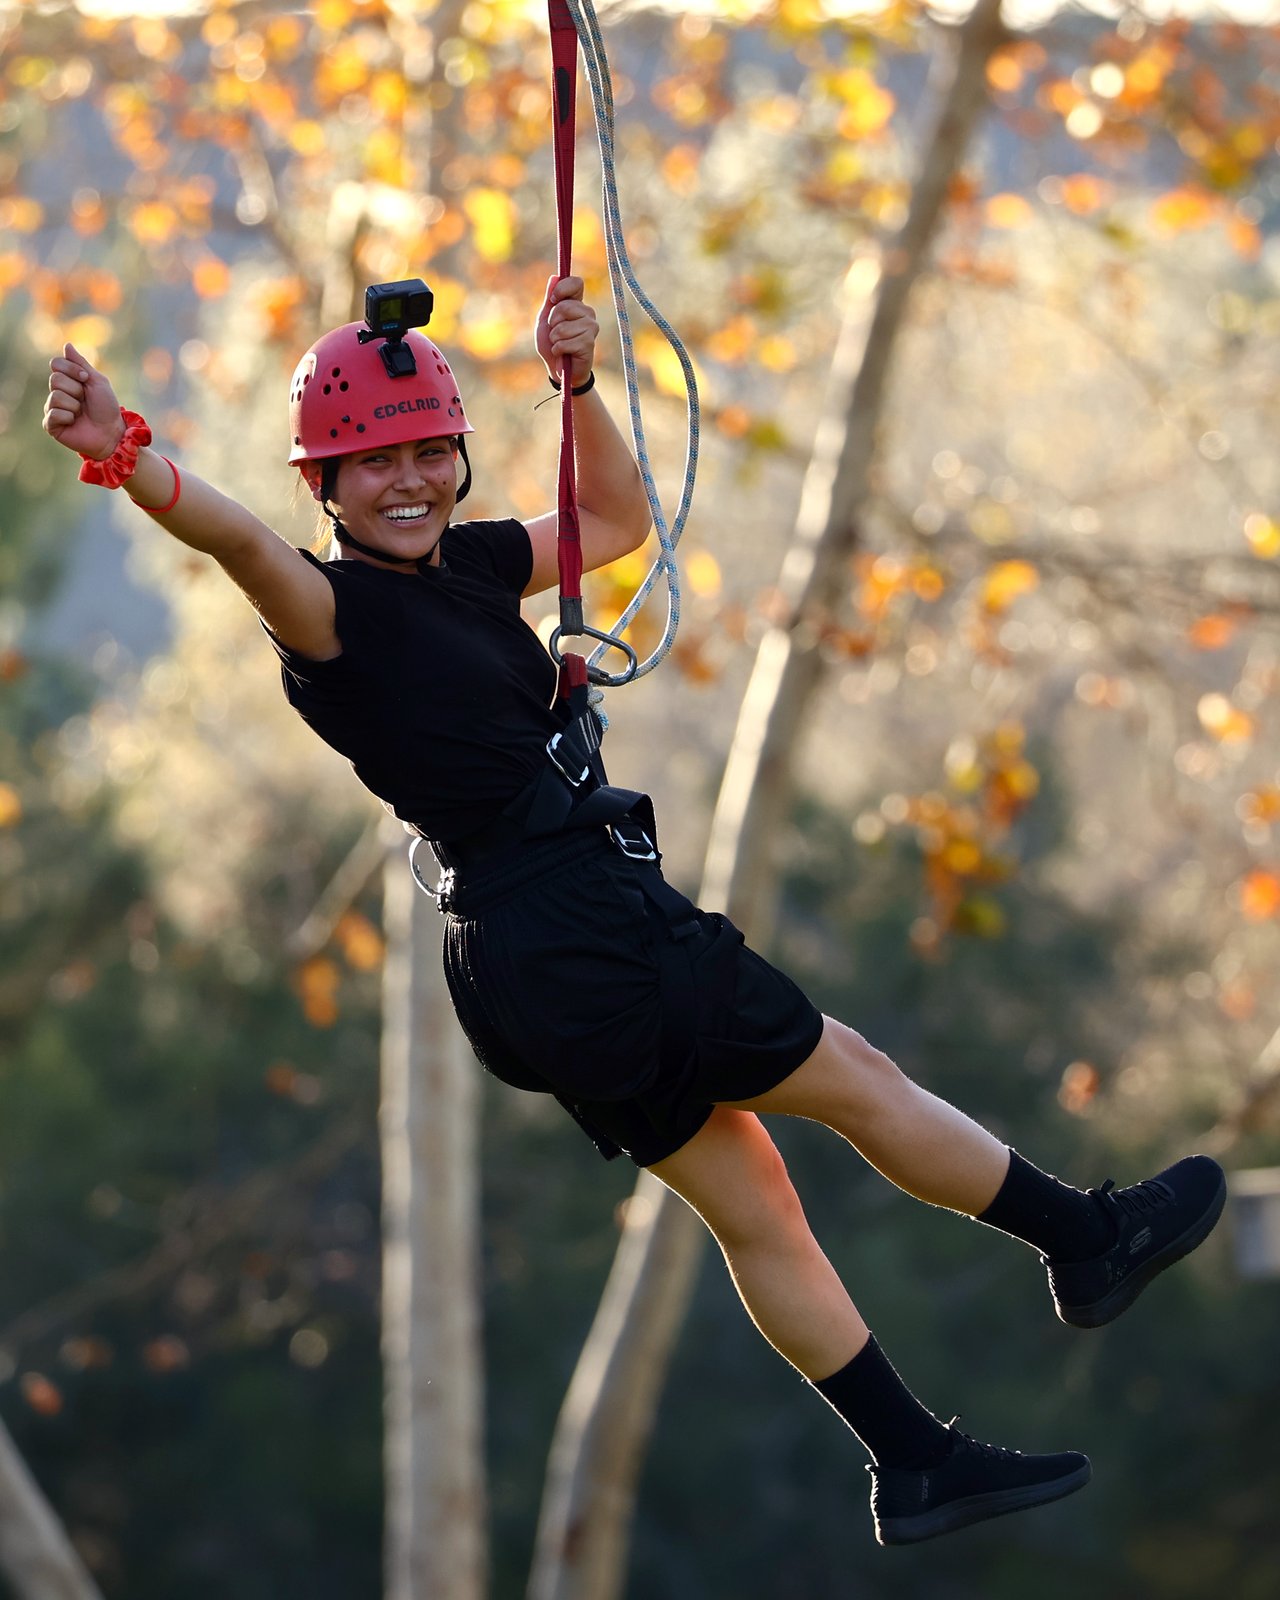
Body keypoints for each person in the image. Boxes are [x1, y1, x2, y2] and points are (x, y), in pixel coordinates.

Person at [43, 274, 1227, 1547]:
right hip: (573, 930)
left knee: (755, 1197)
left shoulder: (473, 564)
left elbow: (609, 515)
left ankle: (912, 1460)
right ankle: (1085, 1239)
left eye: (430, 451)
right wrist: (126, 453)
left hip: (537, 957)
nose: (408, 481)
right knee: (857, 1076)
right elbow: (232, 540)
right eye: (369, 462)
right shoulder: (329, 612)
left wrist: (576, 385)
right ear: (319, 486)